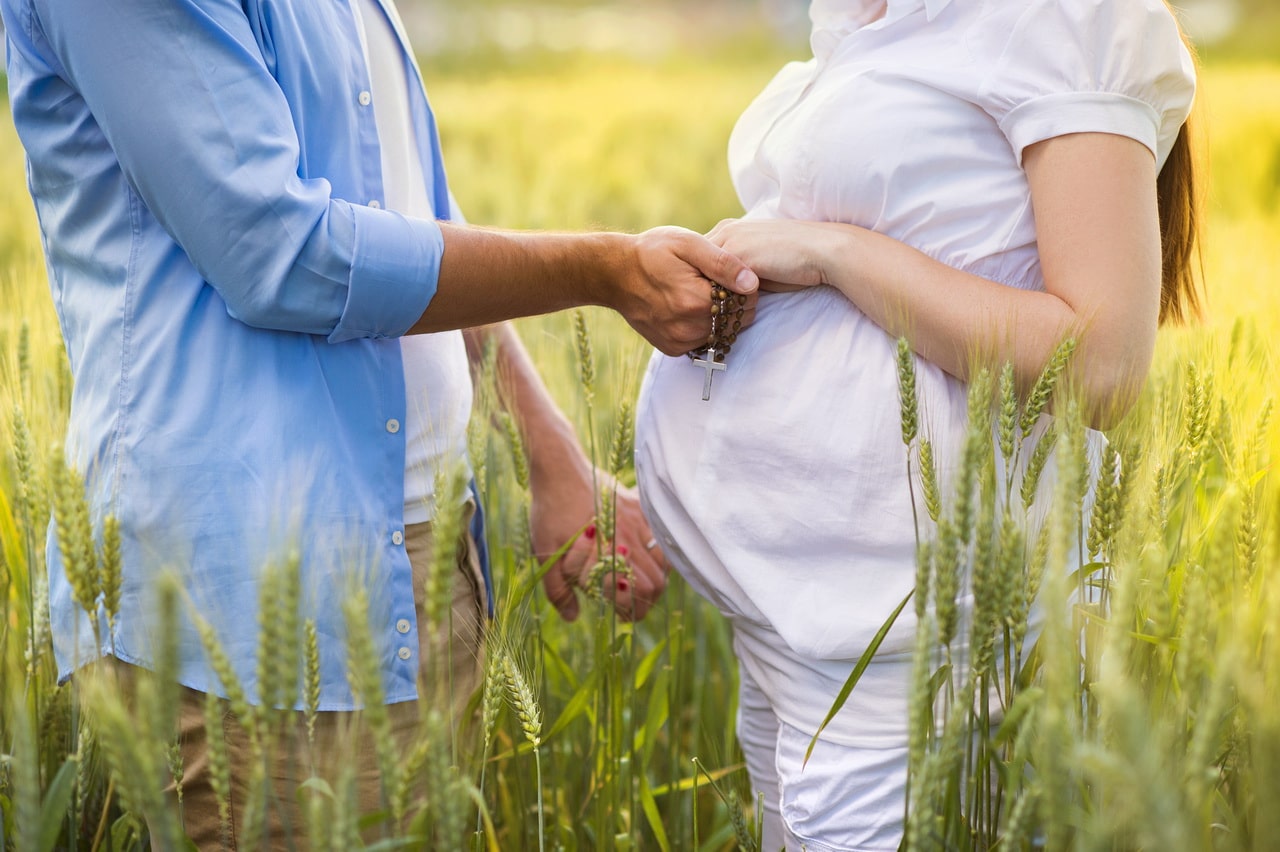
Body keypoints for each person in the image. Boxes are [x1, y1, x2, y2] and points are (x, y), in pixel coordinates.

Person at [0, 0, 759, 846]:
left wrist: (549, 449)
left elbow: (413, 217)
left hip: (435, 566)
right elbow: (282, 254)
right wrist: (604, 269)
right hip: (245, 616)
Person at [634, 0, 1199, 848]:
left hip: (917, 641)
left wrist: (832, 253)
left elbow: (1101, 363)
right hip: (796, 622)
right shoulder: (876, 14)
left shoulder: (1067, 13)